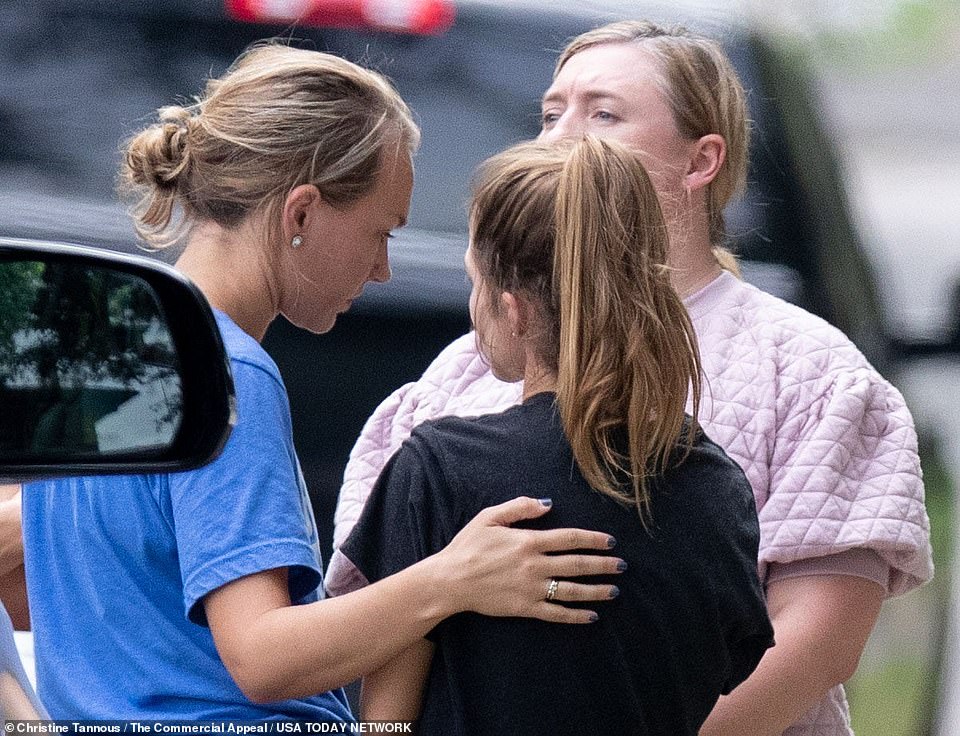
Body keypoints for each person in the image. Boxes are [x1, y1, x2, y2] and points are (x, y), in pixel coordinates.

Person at [328, 21, 933, 736]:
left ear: (701, 160)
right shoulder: (462, 374)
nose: (561, 138)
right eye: (550, 114)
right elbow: (380, 615)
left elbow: (817, 642)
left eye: (603, 113)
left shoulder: (810, 373)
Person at [19, 43, 624, 720]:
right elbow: (263, 657)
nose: (382, 270)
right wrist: (454, 577)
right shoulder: (227, 373)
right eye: (381, 232)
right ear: (300, 214)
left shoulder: (94, 349)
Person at [339, 136, 775, 735]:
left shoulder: (440, 470)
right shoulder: (715, 486)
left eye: (476, 283)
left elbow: (385, 720)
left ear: (513, 310)